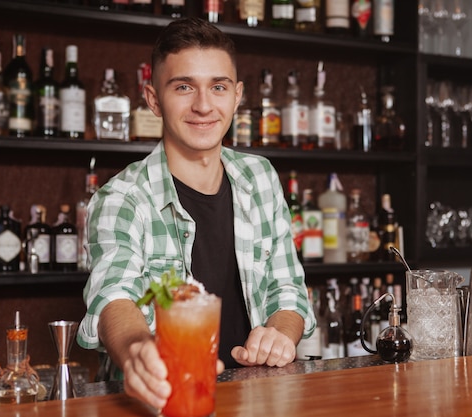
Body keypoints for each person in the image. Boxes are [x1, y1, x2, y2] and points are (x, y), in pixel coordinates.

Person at [76, 17, 316, 410]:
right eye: (184, 87)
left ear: (237, 96)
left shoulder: (260, 177)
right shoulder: (122, 197)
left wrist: (280, 333)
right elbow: (113, 297)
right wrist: (138, 348)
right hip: (163, 403)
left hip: (253, 398)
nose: (204, 105)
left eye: (218, 87)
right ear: (153, 98)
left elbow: (287, 290)